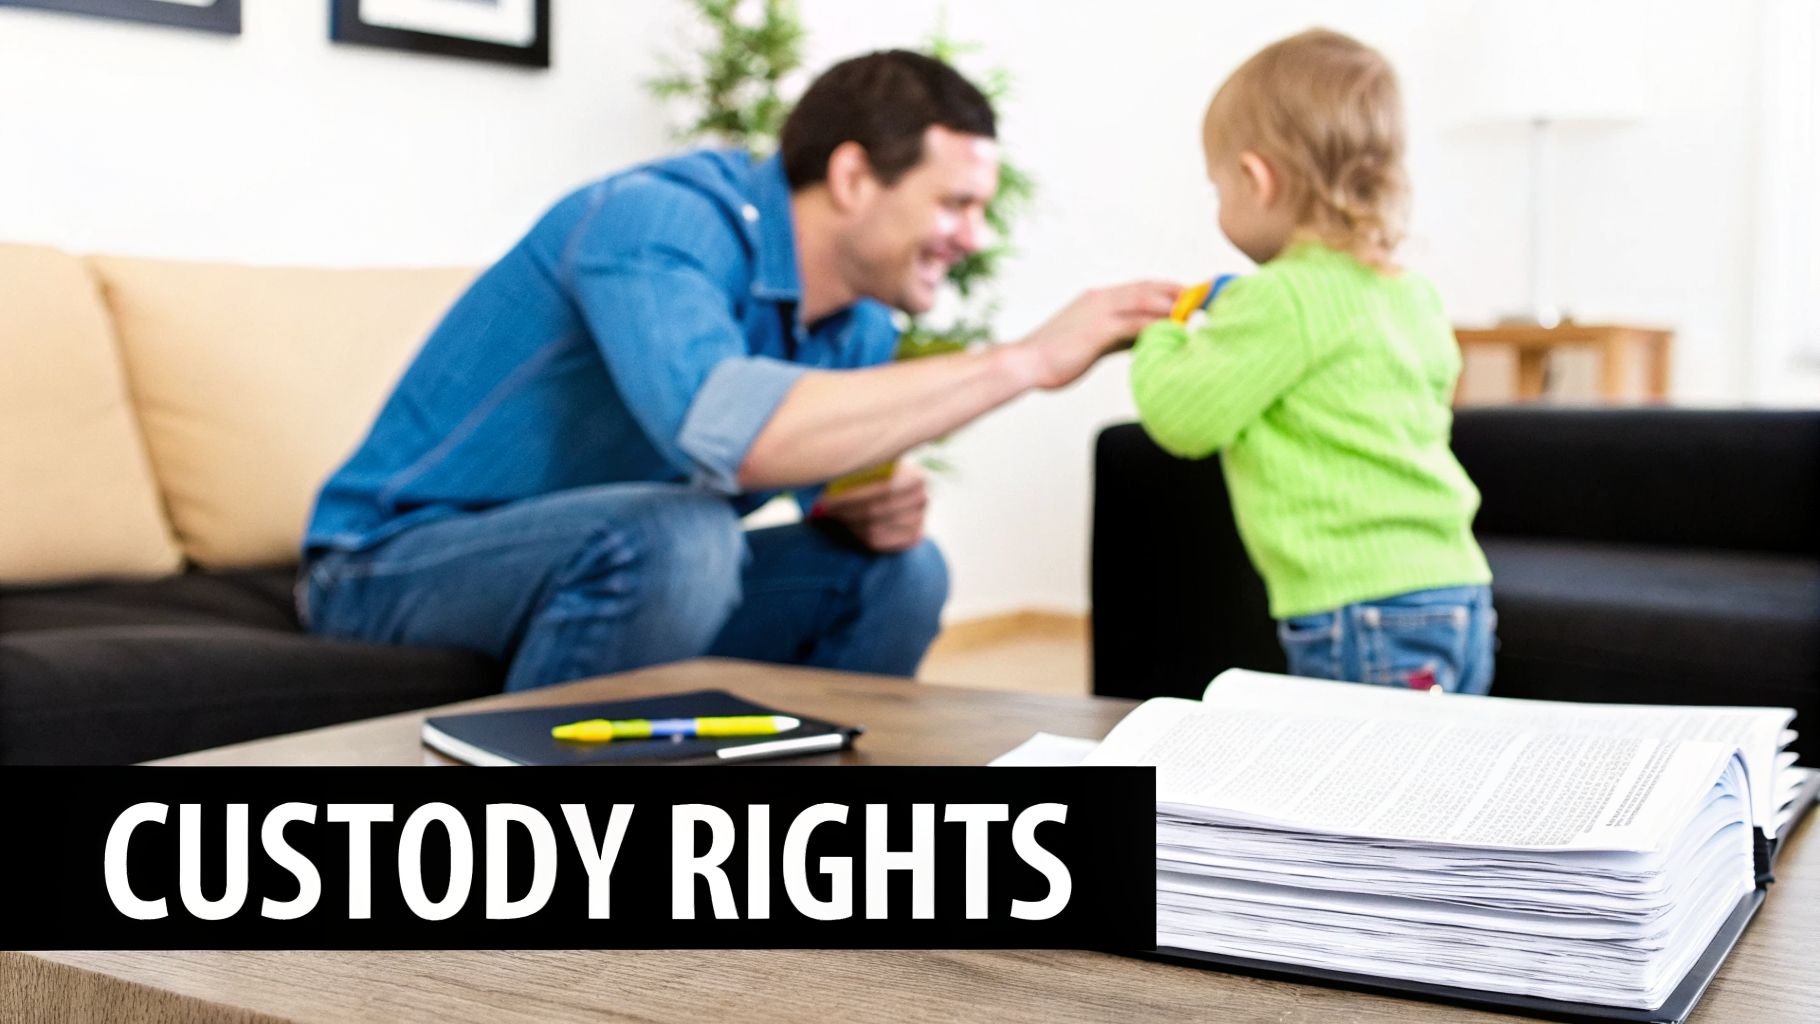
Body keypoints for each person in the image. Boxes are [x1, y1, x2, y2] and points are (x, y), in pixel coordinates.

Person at [299, 49, 1178, 692]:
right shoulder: (655, 224)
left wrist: (861, 503)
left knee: (902, 574)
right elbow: (742, 437)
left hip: (614, 564)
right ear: (853, 177)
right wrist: (1025, 361)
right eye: (955, 204)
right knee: (678, 535)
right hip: (389, 567)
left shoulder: (858, 326)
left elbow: (813, 478)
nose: (973, 238)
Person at [1128, 30, 1497, 693]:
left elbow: (1181, 417)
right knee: (1436, 778)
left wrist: (1168, 330)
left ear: (1256, 178)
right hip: (1459, 588)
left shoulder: (1281, 298)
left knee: (1359, 785)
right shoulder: (1410, 292)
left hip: (1362, 607)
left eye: (1218, 189)